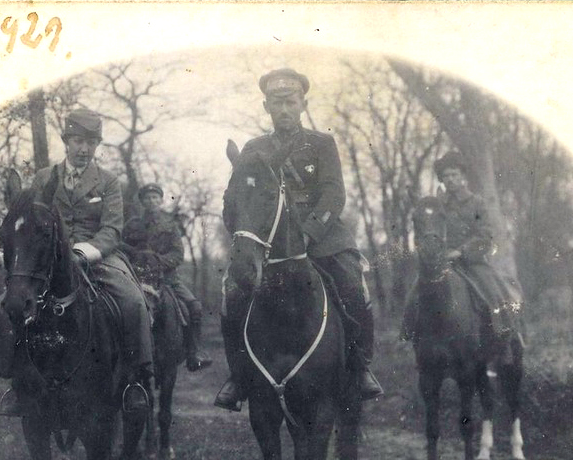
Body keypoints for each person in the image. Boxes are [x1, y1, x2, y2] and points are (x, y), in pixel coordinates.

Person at [214, 68, 383, 411]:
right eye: (277, 103)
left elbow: (333, 194)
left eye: (290, 102)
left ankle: (359, 366)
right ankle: (239, 375)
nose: (284, 110)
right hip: (269, 243)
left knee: (352, 284)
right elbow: (239, 197)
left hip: (321, 238)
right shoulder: (254, 148)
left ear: (303, 104)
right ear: (266, 107)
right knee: (232, 291)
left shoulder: (321, 144)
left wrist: (309, 232)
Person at [0, 107, 154, 415]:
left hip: (99, 257)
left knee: (133, 301)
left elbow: (112, 229)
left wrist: (85, 251)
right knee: (5, 305)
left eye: (91, 142)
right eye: (78, 141)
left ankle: (135, 379)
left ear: (97, 145)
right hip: (50, 257)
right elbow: (31, 219)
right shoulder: (43, 178)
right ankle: (15, 378)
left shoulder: (108, 182)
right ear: (66, 141)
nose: (84, 149)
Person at [401, 151, 525, 356]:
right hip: (442, 263)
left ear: (462, 177)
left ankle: (507, 337)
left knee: (494, 292)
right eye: (446, 176)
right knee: (415, 291)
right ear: (442, 179)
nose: (450, 179)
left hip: (472, 262)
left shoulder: (476, 203)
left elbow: (485, 236)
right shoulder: (438, 205)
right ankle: (408, 333)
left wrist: (461, 252)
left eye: (454, 174)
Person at [122, 183, 213, 372]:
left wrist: (157, 262)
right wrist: (139, 261)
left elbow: (178, 254)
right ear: (142, 201)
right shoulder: (132, 225)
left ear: (161, 200)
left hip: (168, 278)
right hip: (139, 278)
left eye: (155, 197)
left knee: (194, 307)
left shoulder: (170, 224)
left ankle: (194, 352)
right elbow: (123, 249)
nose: (151, 201)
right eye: (147, 198)